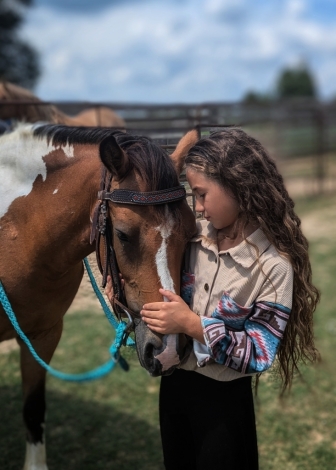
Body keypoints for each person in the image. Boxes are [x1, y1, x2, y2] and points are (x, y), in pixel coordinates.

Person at [106, 128, 320, 470]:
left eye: (202, 195)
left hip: (224, 404)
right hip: (175, 391)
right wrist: (124, 301)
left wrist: (192, 325)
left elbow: (260, 352)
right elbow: (160, 287)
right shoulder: (191, 241)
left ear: (239, 187)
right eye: (195, 197)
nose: (200, 207)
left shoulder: (273, 268)